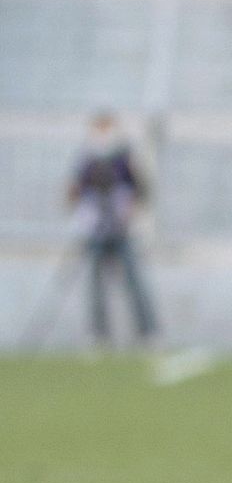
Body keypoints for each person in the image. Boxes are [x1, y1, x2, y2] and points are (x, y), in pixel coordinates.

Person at [67, 112, 159, 347]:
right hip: (96, 231)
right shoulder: (86, 160)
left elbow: (141, 189)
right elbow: (74, 192)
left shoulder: (123, 159)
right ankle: (99, 334)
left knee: (134, 281)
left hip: (121, 230)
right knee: (95, 284)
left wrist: (129, 211)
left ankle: (148, 332)